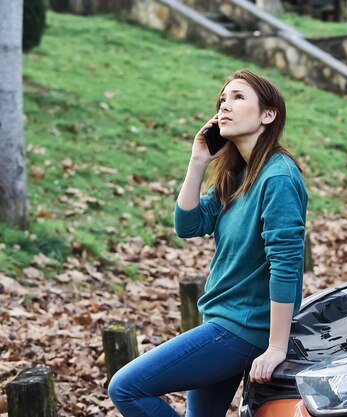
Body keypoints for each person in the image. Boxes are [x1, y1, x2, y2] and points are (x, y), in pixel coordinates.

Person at [108, 69, 308, 417]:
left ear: (268, 114)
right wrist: (198, 161)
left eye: (238, 97)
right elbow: (188, 224)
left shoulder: (278, 176)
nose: (224, 107)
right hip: (220, 320)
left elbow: (286, 263)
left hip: (241, 330)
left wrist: (276, 346)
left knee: (126, 387)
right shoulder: (239, 175)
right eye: (222, 99)